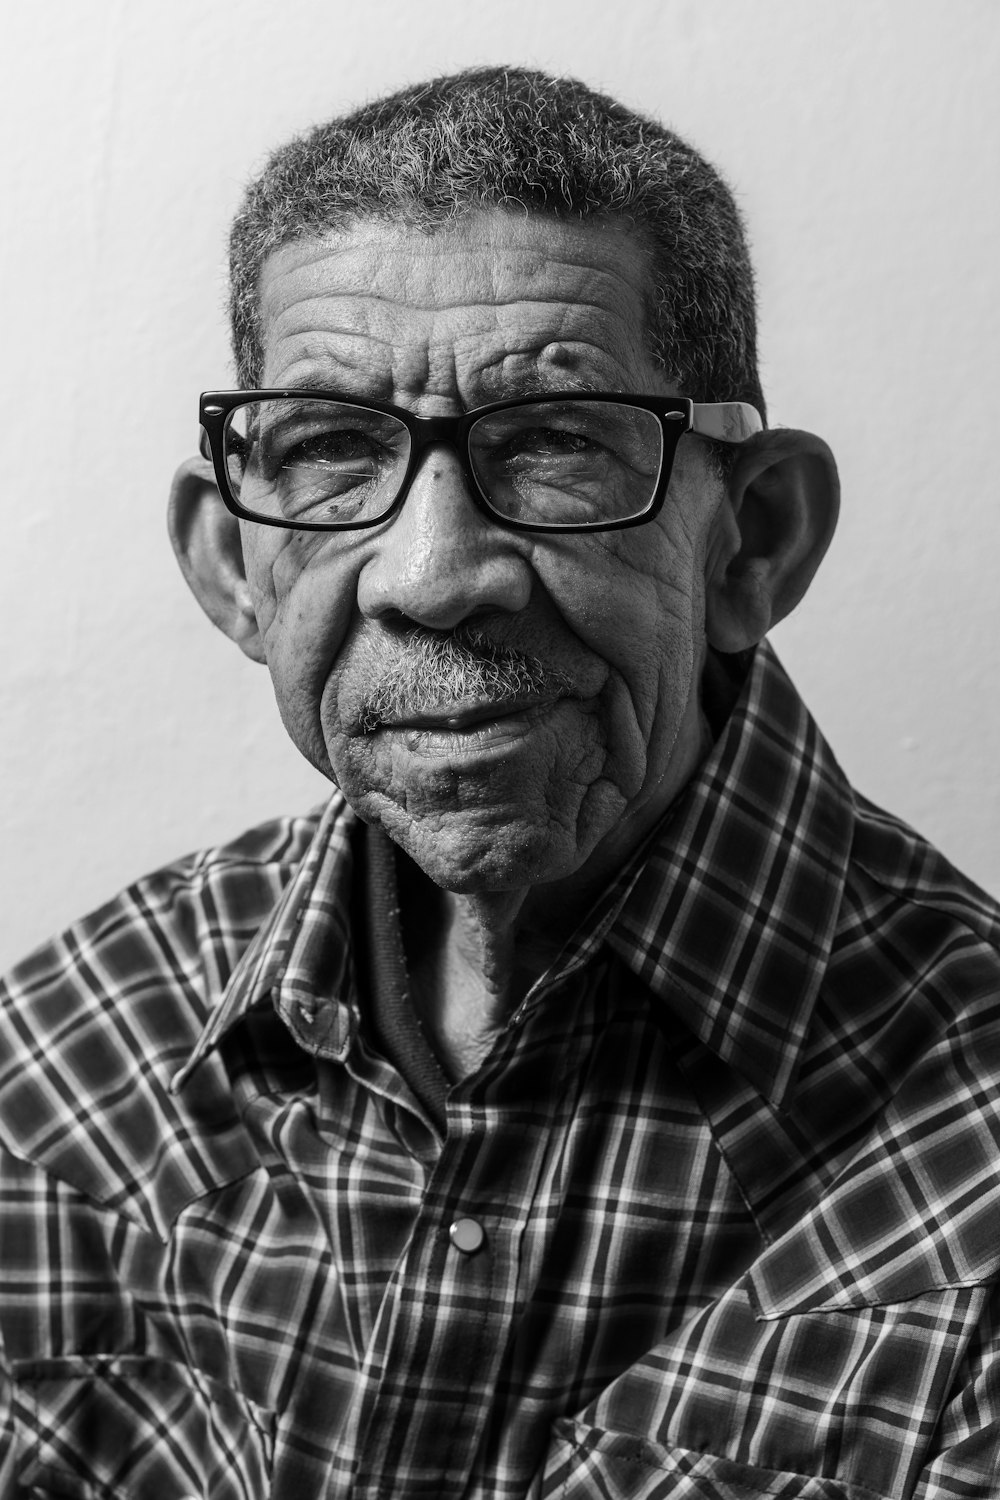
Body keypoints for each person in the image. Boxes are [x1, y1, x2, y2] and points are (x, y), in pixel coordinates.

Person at [1, 64, 998, 1500]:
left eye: (555, 445)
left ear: (756, 542)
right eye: (335, 451)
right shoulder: (66, 1068)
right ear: (233, 570)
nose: (434, 574)